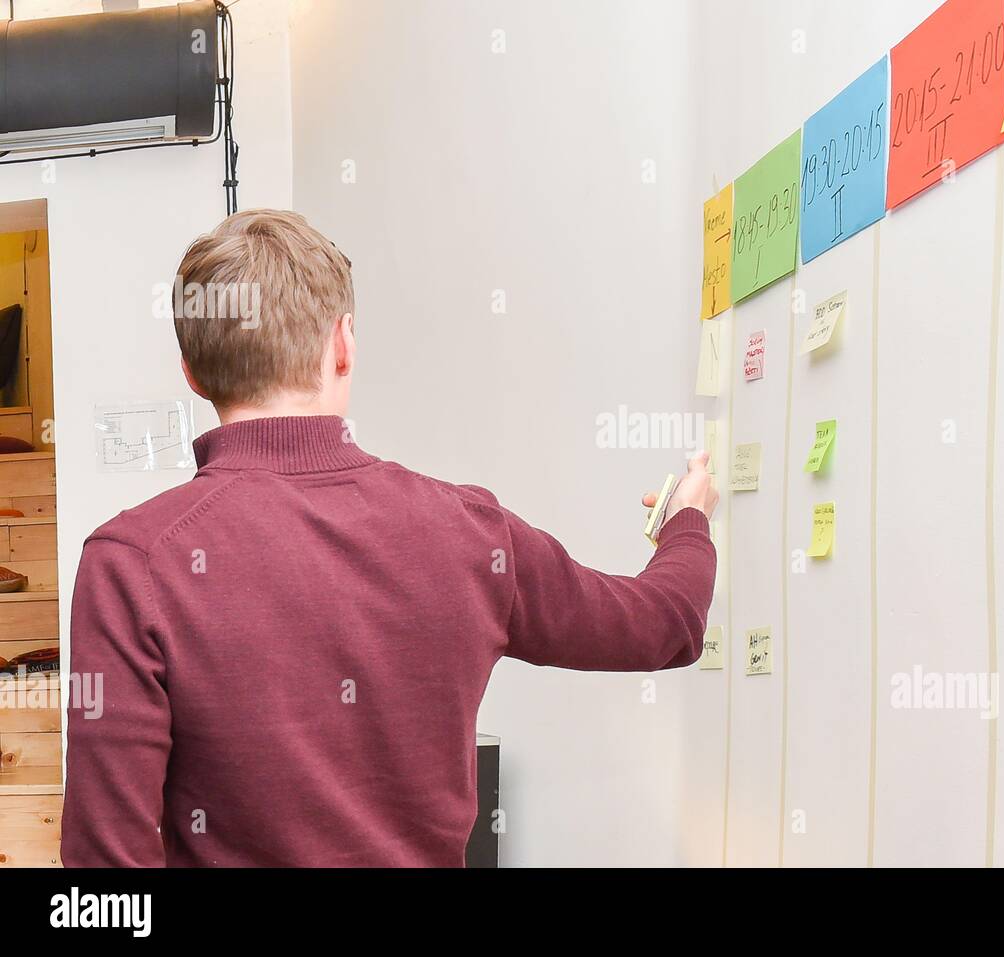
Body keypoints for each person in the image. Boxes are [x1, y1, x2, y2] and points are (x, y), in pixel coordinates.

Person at [61, 209, 718, 867]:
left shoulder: (131, 562)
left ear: (192, 372)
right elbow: (666, 623)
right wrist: (688, 519)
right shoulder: (471, 531)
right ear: (344, 343)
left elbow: (103, 869)